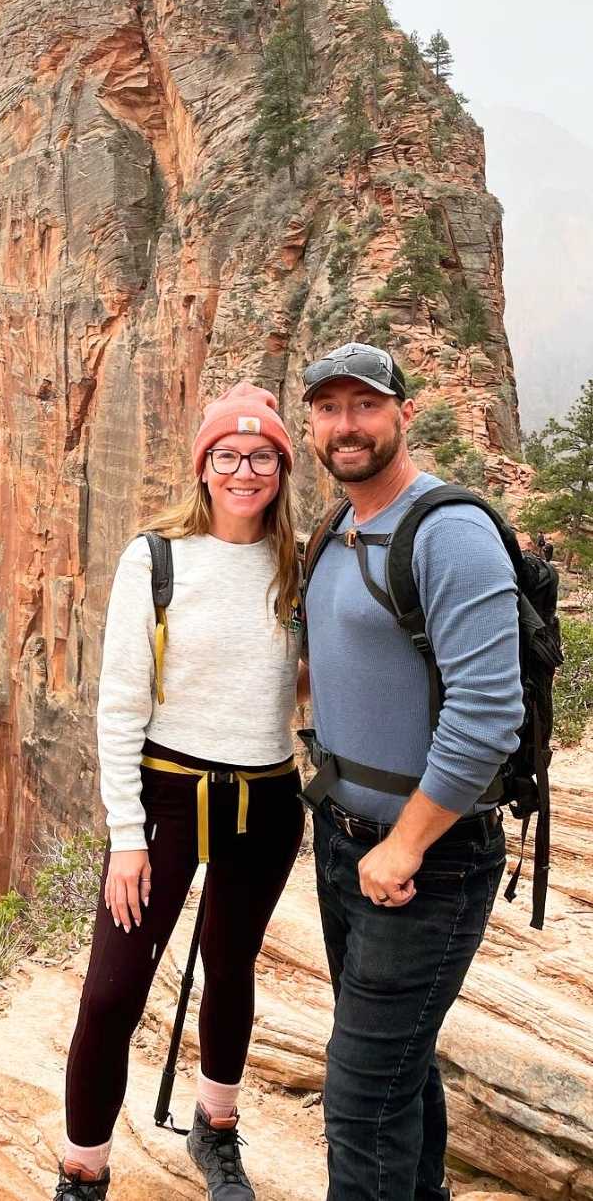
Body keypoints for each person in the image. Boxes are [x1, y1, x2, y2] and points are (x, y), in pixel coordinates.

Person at [54, 383, 306, 1201]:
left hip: (266, 802)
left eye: (260, 455)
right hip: (167, 802)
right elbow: (121, 701)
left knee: (229, 969)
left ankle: (216, 1128)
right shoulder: (156, 558)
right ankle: (82, 1171)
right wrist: (125, 834)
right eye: (226, 456)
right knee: (113, 993)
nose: (243, 470)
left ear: (280, 467)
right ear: (203, 468)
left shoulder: (299, 564)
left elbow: (313, 679)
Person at [298, 342, 525, 1201]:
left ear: (403, 414)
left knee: (358, 1103)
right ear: (312, 423)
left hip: (428, 861)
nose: (346, 425)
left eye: (365, 406)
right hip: (344, 844)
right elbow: (328, 671)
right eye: (329, 408)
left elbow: (487, 714)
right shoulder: (337, 530)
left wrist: (403, 847)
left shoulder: (451, 532)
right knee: (395, 1070)